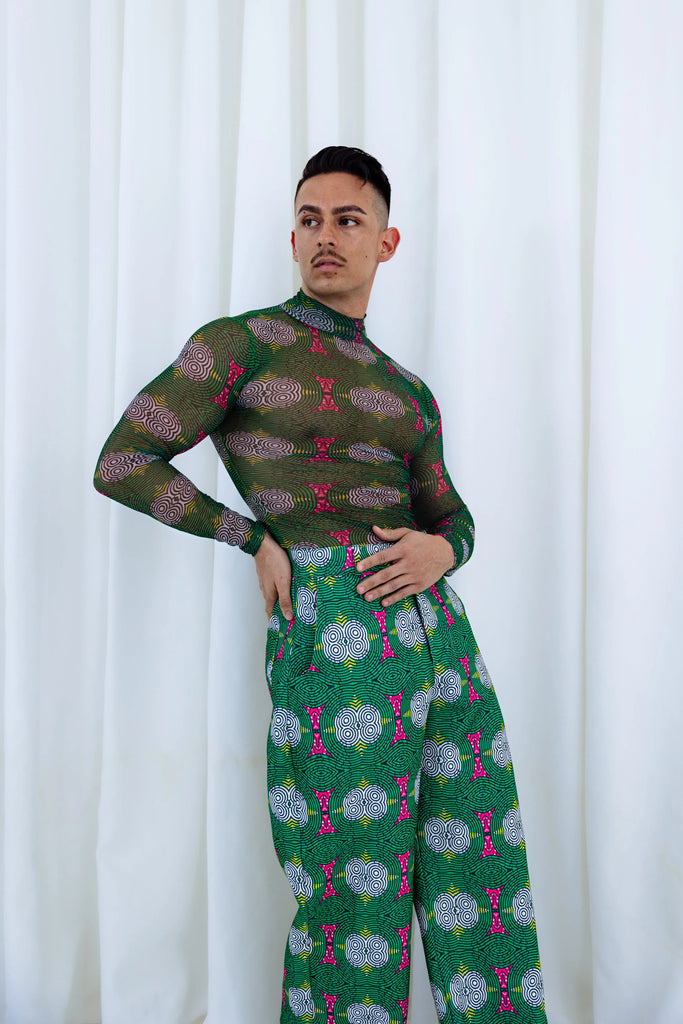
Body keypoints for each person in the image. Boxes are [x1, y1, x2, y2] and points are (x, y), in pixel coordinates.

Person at [94, 146, 547, 1024]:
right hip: (332, 633)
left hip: (442, 640)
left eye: (348, 220)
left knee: (481, 875)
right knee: (351, 894)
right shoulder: (242, 344)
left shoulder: (407, 391)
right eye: (309, 219)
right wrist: (248, 534)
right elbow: (123, 459)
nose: (325, 237)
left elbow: (453, 512)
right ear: (292, 235)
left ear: (387, 242)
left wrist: (444, 553)